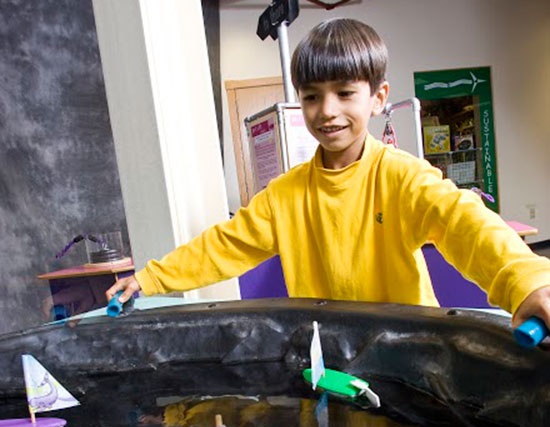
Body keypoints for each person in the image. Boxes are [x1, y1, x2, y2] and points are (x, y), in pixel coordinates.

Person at [107, 18, 550, 332]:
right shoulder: (285, 194)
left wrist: (528, 283)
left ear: (378, 98)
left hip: (407, 357)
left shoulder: (401, 177)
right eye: (313, 96)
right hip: (323, 359)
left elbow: (466, 225)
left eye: (344, 93)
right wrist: (150, 279)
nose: (328, 111)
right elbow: (222, 246)